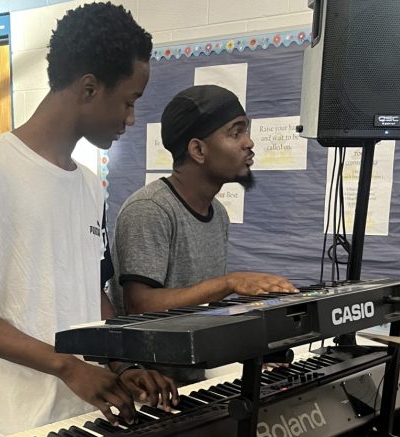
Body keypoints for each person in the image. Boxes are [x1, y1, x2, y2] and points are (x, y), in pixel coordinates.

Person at [0, 4, 177, 436]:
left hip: (87, 415)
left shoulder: (89, 185)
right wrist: (65, 367)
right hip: (15, 424)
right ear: (89, 89)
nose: (131, 119)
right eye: (129, 102)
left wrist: (121, 362)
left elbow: (91, 291)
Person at [109, 85, 298, 384]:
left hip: (196, 379)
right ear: (198, 150)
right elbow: (140, 306)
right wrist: (229, 282)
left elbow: (199, 310)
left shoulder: (218, 214)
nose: (249, 143)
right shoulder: (150, 209)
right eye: (235, 133)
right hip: (148, 389)